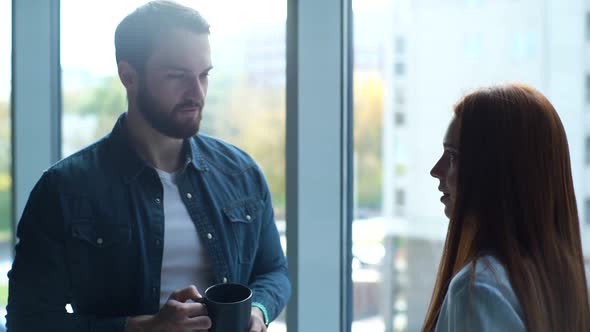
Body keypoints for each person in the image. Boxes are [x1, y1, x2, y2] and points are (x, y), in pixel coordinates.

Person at [6, 1, 290, 331]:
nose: (196, 93)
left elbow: (274, 271)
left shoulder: (240, 173)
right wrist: (142, 328)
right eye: (177, 76)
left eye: (204, 75)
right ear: (129, 76)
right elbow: (28, 321)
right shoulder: (64, 189)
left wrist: (258, 308)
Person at [425, 84, 590, 332]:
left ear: (497, 173)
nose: (435, 170)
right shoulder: (569, 285)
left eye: (453, 156)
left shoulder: (477, 291)